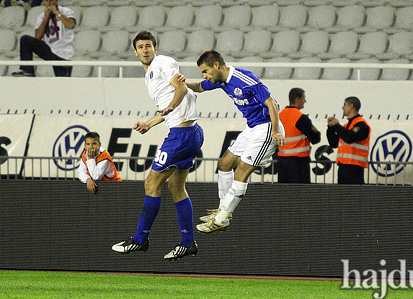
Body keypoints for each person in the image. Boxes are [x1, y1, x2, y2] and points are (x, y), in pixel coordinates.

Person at [112, 31, 204, 261]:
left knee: (151, 183)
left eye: (148, 46)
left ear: (155, 48)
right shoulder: (150, 75)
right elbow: (166, 108)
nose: (145, 50)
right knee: (176, 186)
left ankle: (140, 239)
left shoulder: (162, 62)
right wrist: (149, 123)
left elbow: (181, 90)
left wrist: (172, 107)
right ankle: (187, 242)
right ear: (135, 51)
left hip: (181, 135)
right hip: (189, 132)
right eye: (140, 47)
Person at [183, 50, 285, 234]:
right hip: (253, 127)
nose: (205, 76)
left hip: (267, 126)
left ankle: (222, 217)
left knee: (241, 171)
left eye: (205, 71)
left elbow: (272, 103)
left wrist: (276, 131)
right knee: (224, 164)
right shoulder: (220, 81)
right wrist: (179, 84)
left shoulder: (243, 78)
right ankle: (222, 209)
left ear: (216, 65)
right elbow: (198, 86)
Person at [12, 0, 75, 77]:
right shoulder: (42, 16)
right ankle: (28, 71)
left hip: (63, 54)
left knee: (63, 85)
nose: (49, 3)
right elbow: (37, 37)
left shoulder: (66, 11)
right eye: (46, 0)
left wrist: (58, 14)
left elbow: (71, 25)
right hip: (49, 49)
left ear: (56, 0)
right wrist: (46, 18)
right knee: (25, 39)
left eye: (51, 0)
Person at [275, 88, 321, 184]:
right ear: (297, 99)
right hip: (299, 164)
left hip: (282, 162)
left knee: (283, 193)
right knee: (300, 194)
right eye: (303, 98)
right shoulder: (301, 118)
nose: (305, 101)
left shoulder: (279, 116)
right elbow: (316, 138)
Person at [326, 96, 371, 185]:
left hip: (355, 168)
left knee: (353, 196)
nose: (342, 107)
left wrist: (337, 125)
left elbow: (349, 138)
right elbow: (334, 143)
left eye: (345, 105)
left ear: (351, 106)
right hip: (343, 167)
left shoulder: (361, 125)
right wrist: (331, 128)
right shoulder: (346, 126)